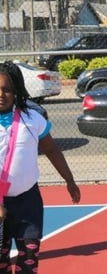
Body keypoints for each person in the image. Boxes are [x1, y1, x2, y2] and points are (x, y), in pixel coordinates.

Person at [0, 61, 81, 273]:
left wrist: (69, 180)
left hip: (28, 201)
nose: (1, 94)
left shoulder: (32, 118)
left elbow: (52, 150)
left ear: (16, 90)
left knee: (29, 261)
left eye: (7, 89)